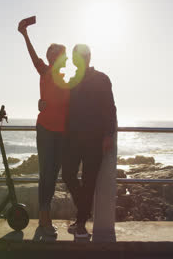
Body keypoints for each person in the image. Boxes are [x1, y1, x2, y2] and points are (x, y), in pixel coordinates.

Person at [18, 18, 70, 236]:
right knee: (46, 174)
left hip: (62, 133)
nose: (67, 58)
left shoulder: (65, 80)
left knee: (53, 173)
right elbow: (33, 57)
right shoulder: (47, 73)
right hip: (47, 130)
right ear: (55, 57)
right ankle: (44, 218)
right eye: (64, 54)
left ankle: (44, 217)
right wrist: (25, 33)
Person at [62, 44, 117, 239]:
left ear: (89, 57)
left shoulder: (102, 79)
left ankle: (82, 224)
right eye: (77, 56)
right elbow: (65, 109)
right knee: (68, 174)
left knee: (89, 182)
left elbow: (110, 109)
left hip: (94, 140)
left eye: (83, 55)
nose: (80, 59)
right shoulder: (72, 81)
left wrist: (109, 134)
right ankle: (83, 212)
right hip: (73, 139)